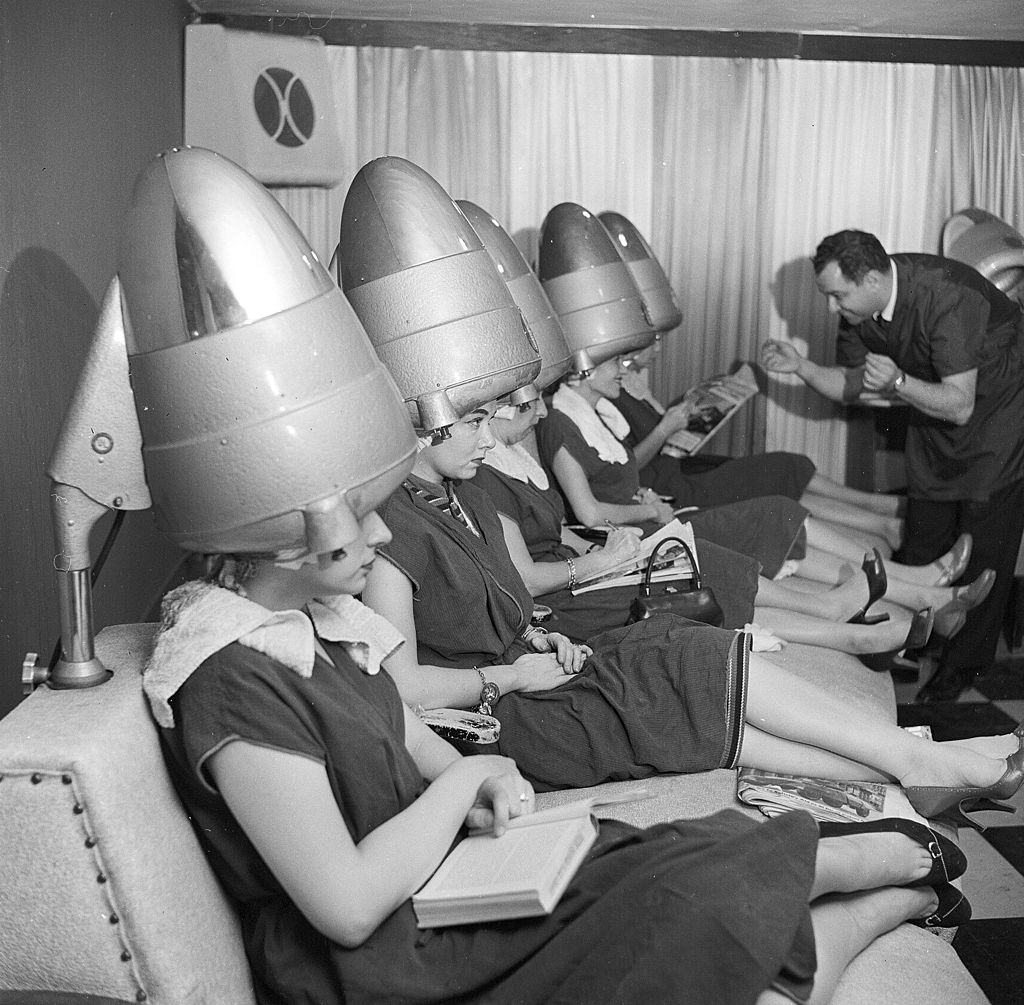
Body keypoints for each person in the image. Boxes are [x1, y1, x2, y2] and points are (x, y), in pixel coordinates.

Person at [147, 511, 982, 1005]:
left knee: (670, 857)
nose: (382, 531)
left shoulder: (319, 625)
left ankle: (879, 862)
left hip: (443, 890)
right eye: (354, 518)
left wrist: (485, 783)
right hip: (388, 965)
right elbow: (348, 906)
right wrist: (472, 776)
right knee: (698, 921)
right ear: (276, 538)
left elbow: (415, 741)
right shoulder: (228, 678)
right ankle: (900, 892)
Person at [361, 402, 1022, 820]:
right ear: (419, 422)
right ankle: (919, 760)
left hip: (533, 676)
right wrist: (510, 676)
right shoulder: (389, 526)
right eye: (474, 420)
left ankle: (919, 763)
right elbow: (402, 687)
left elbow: (501, 605)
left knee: (676, 646)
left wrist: (539, 639)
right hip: (496, 722)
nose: (493, 434)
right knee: (685, 664)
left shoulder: (457, 493)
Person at [535, 355, 994, 638]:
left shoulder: (592, 414)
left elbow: (613, 479)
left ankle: (926, 592)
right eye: (617, 362)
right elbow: (589, 512)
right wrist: (648, 507)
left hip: (654, 518)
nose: (626, 368)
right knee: (776, 513)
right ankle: (924, 586)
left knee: (780, 521)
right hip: (650, 531)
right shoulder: (560, 423)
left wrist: (644, 496)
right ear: (585, 370)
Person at [761, 229, 1024, 701]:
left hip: (1000, 414)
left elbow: (961, 405)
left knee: (986, 542)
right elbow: (853, 386)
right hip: (934, 408)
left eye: (838, 295)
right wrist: (801, 367)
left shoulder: (948, 296)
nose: (831, 308)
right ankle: (915, 639)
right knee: (924, 534)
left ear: (872, 279)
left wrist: (900, 380)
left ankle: (963, 668)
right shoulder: (859, 309)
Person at [476, 398, 934, 663]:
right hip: (557, 605)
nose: (539, 411)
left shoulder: (511, 456)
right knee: (696, 567)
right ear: (489, 414)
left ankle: (843, 619)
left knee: (693, 561)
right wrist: (600, 561)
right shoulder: (485, 477)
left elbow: (562, 532)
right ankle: (841, 619)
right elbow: (527, 579)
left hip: (582, 567)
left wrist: (617, 548)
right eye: (526, 402)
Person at [611, 341, 905, 550]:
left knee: (785, 467)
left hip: (676, 467)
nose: (659, 348)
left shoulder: (628, 383)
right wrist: (665, 428)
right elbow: (624, 468)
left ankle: (879, 510)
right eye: (653, 342)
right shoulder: (608, 393)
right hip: (667, 486)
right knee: (777, 474)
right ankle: (883, 516)